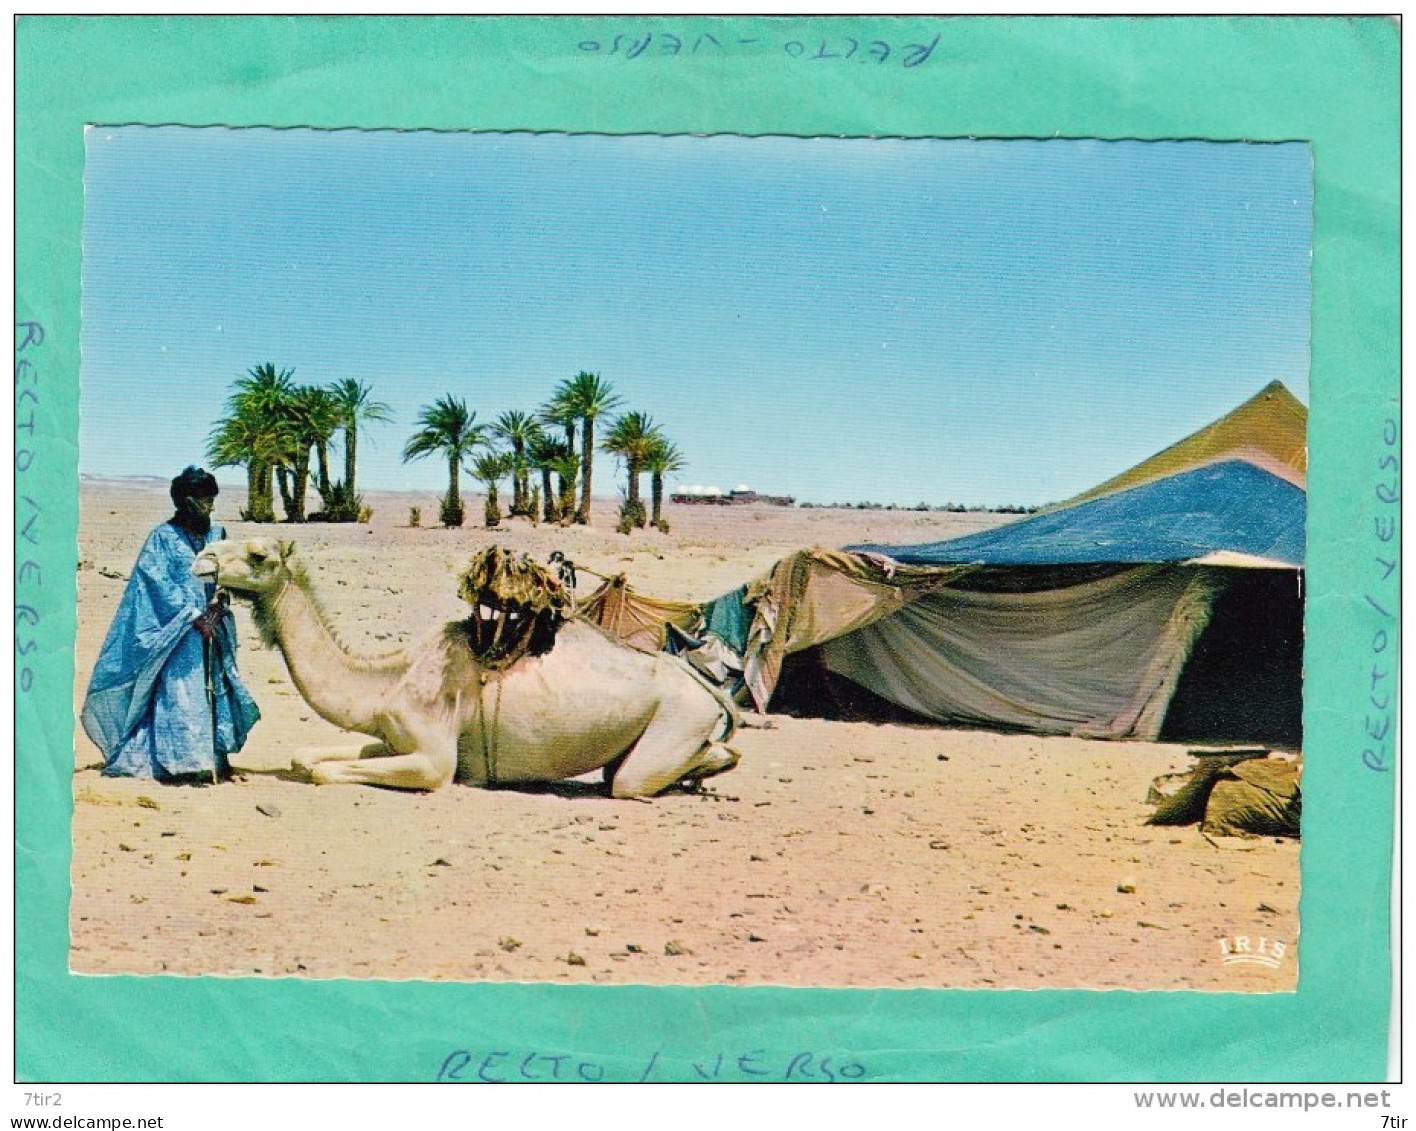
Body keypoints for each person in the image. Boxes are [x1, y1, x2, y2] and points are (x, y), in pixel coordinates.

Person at [82, 467, 260, 782]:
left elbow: (228, 575)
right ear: (187, 502)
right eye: (204, 501)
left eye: (212, 501)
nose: (210, 508)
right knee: (182, 693)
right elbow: (155, 584)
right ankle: (184, 764)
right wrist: (194, 616)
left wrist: (218, 607)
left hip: (213, 628)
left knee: (214, 690)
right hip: (178, 633)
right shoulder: (161, 538)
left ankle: (215, 759)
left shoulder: (217, 536)